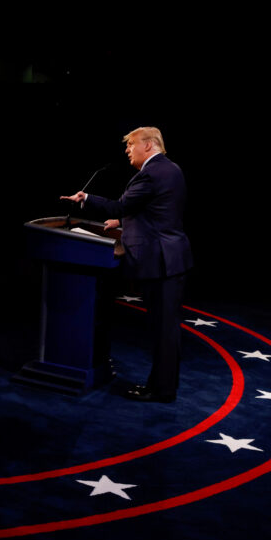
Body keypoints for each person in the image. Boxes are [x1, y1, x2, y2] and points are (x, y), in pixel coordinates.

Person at [61, 126, 192, 403]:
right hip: (170, 258)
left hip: (161, 261)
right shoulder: (171, 169)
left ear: (148, 144)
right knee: (164, 329)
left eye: (131, 145)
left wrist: (87, 199)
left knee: (163, 330)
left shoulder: (151, 173)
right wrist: (123, 223)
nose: (127, 150)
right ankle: (161, 386)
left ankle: (161, 390)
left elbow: (120, 205)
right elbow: (158, 210)